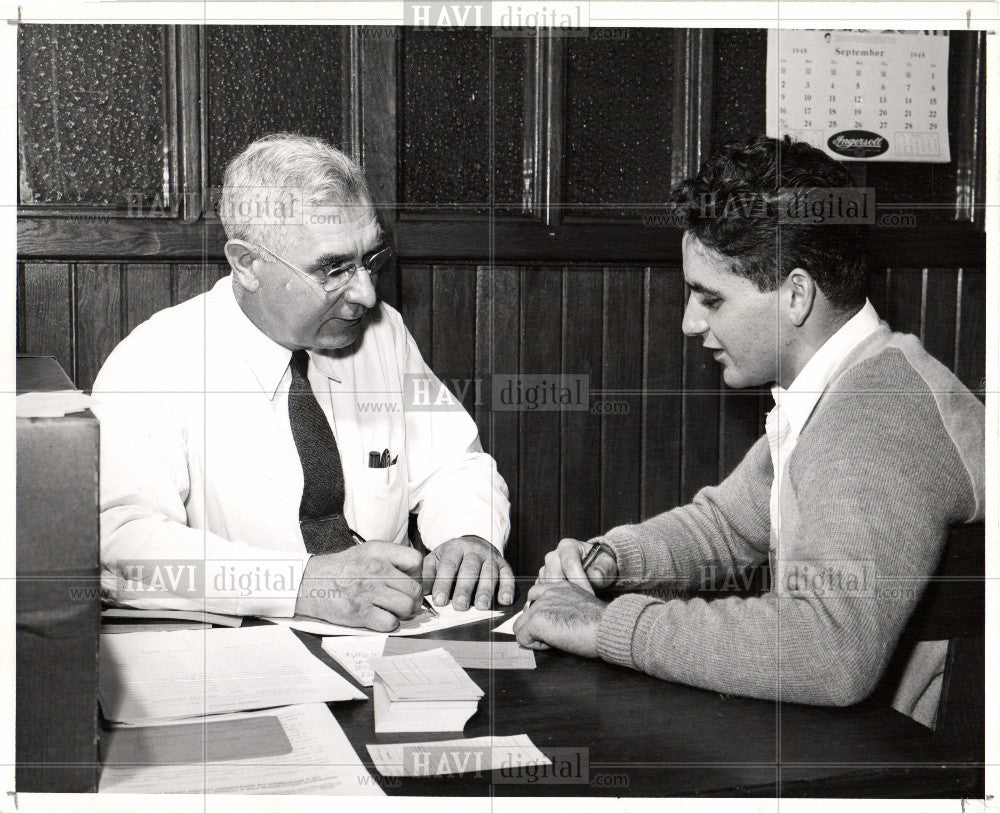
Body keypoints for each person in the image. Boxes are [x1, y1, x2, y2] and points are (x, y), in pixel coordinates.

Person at [516, 136, 984, 727]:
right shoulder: (845, 381)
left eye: (711, 298)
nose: (689, 322)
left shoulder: (877, 411)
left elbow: (827, 650)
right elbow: (728, 527)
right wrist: (612, 560)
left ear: (795, 294)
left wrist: (605, 625)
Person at [92, 133, 513, 631]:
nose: (367, 294)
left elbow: (454, 465)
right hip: (237, 653)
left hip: (392, 639)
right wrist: (300, 583)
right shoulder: (155, 361)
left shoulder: (382, 335)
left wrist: (469, 535)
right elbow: (123, 543)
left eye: (371, 259)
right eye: (333, 269)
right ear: (247, 264)